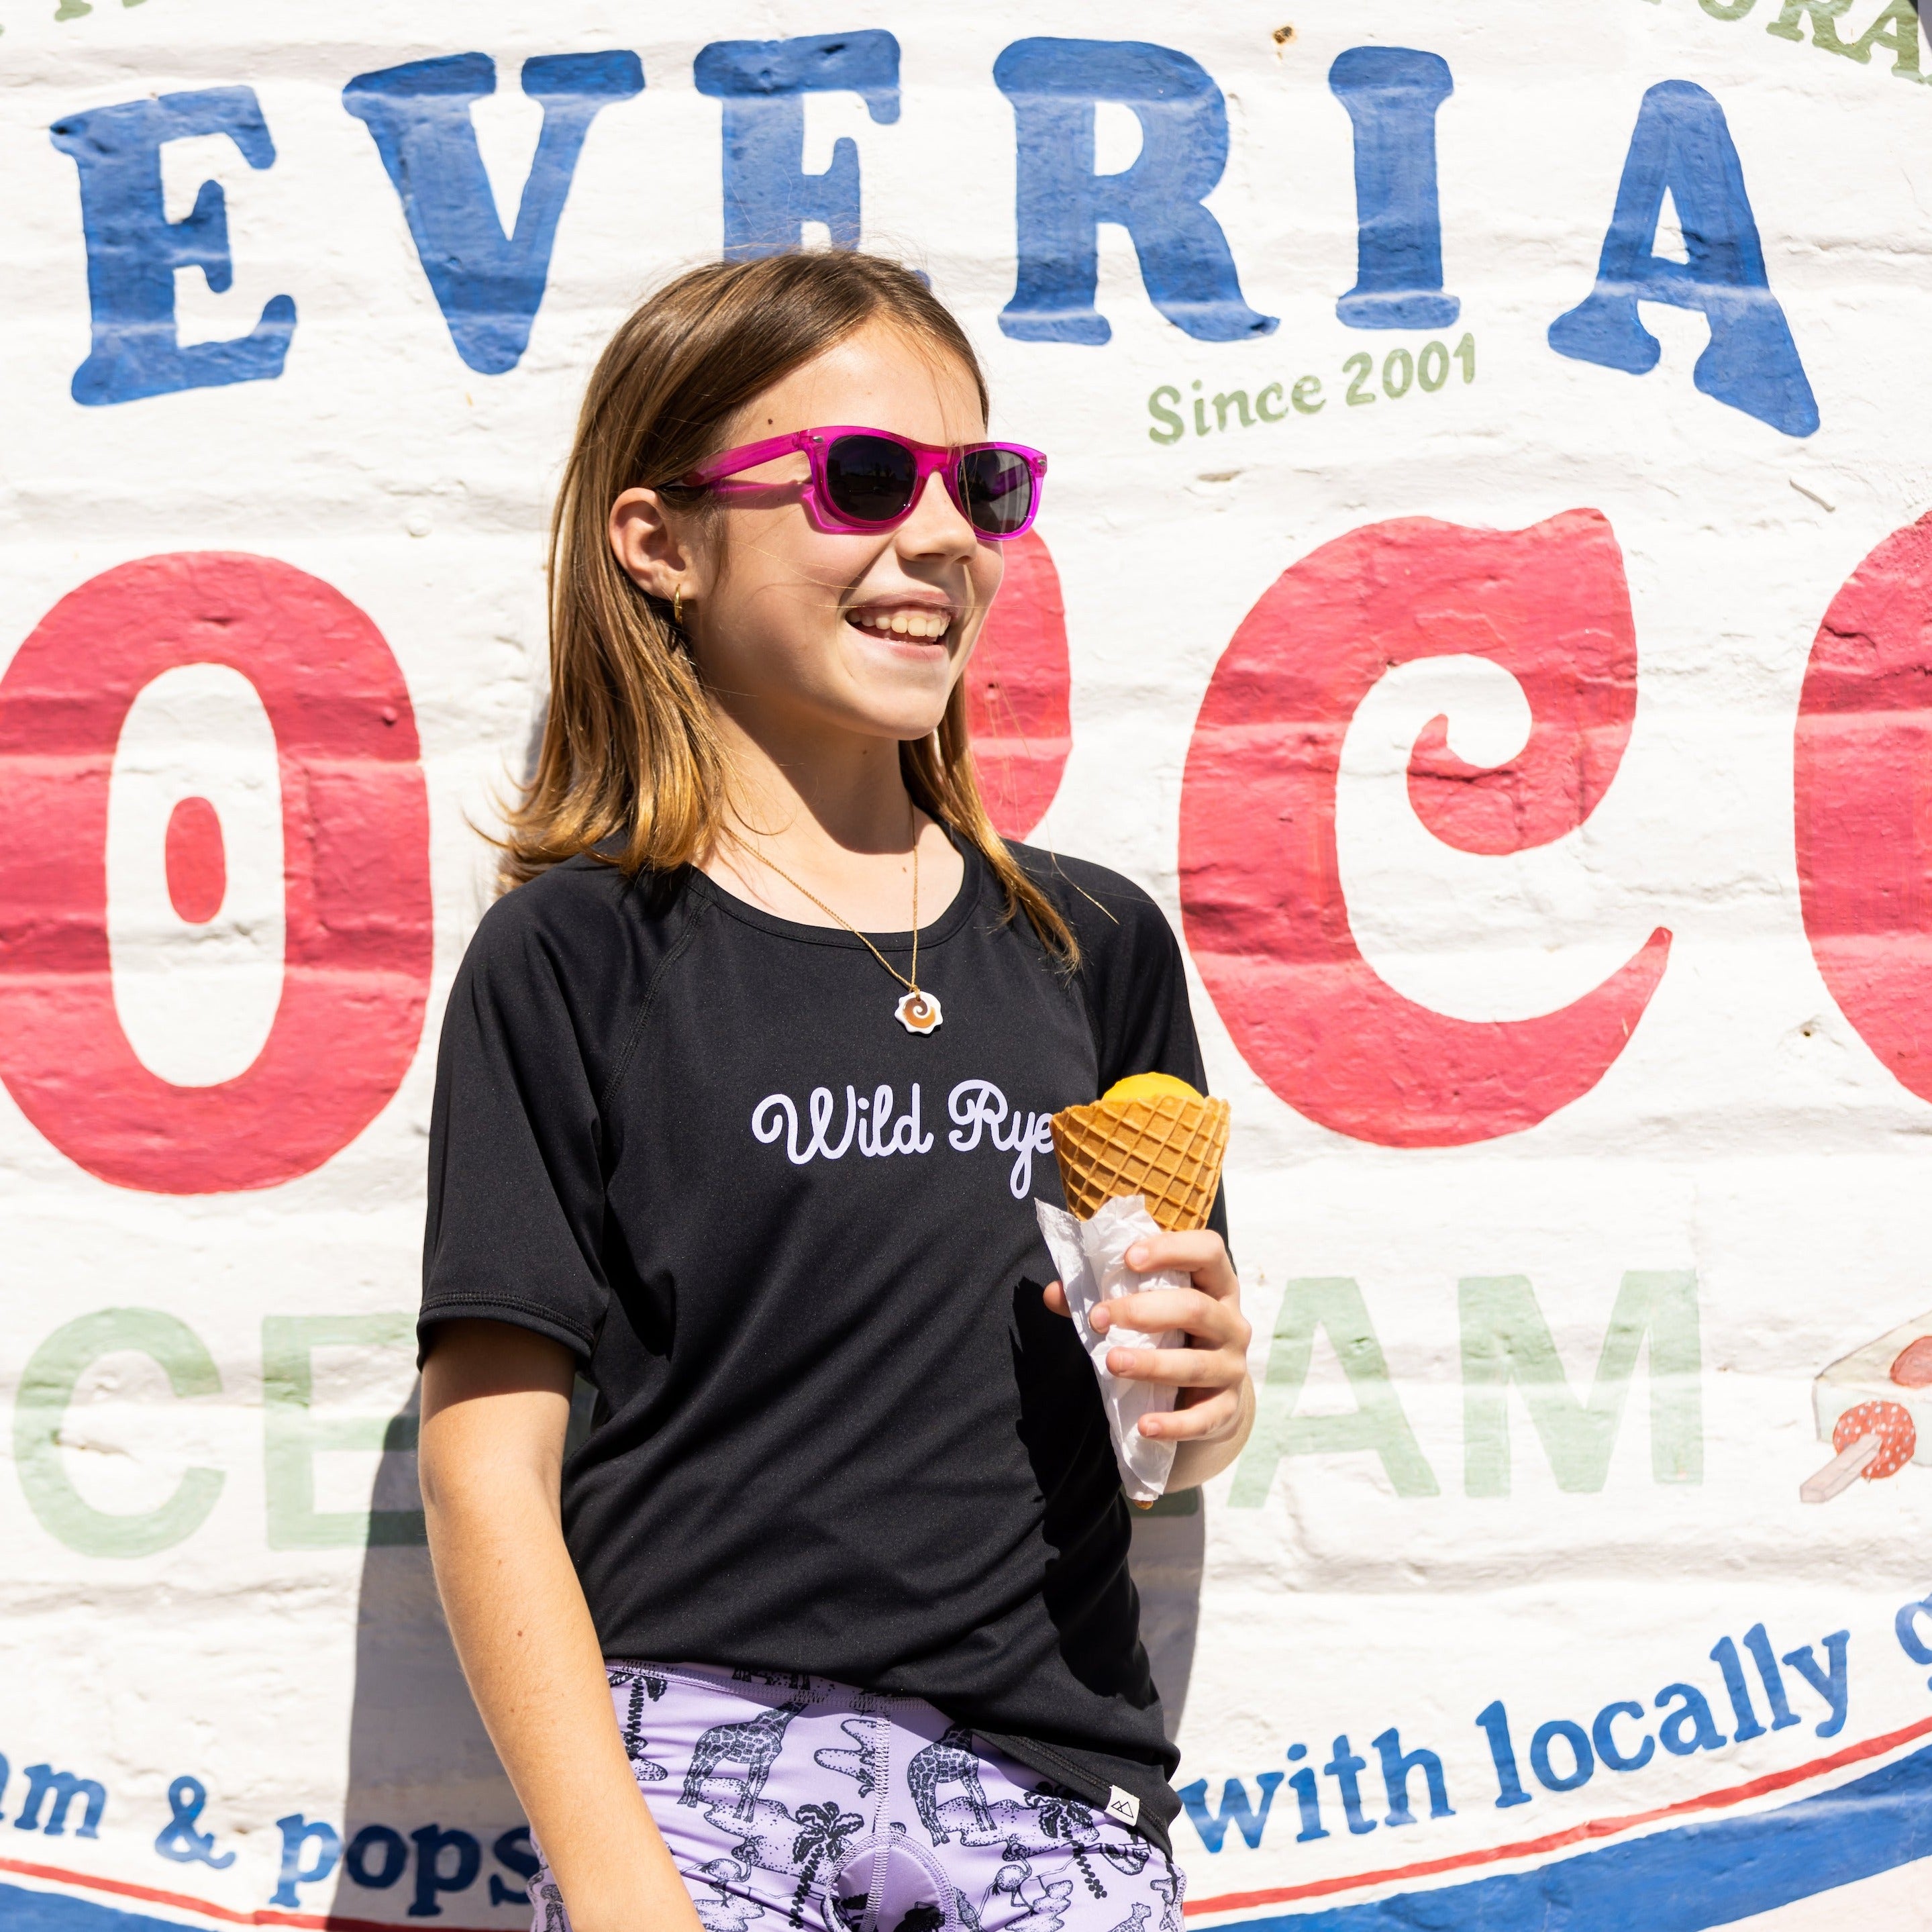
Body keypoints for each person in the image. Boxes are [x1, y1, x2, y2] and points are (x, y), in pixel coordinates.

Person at [417, 250, 1254, 1932]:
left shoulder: (1094, 946)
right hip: (698, 1781)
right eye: (865, 481)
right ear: (657, 544)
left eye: (979, 485)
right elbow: (483, 1471)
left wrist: (1214, 1398)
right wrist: (622, 1888)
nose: (941, 538)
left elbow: (1169, 1434)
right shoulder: (574, 959)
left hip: (1055, 1799)